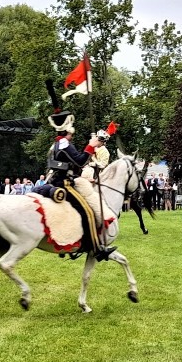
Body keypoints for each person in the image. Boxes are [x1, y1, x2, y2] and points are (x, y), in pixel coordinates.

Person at [45, 108, 115, 260]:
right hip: (64, 183)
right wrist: (91, 145)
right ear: (68, 130)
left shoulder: (56, 144)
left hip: (57, 180)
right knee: (88, 212)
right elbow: (81, 160)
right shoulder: (64, 145)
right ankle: (95, 247)